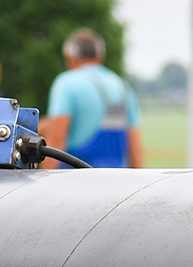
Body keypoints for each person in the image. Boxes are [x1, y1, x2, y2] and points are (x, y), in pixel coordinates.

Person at [40, 30, 144, 167]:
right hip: (118, 182)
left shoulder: (66, 83)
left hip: (76, 183)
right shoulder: (123, 87)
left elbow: (56, 139)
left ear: (70, 56)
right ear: (100, 55)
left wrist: (43, 183)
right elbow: (135, 147)